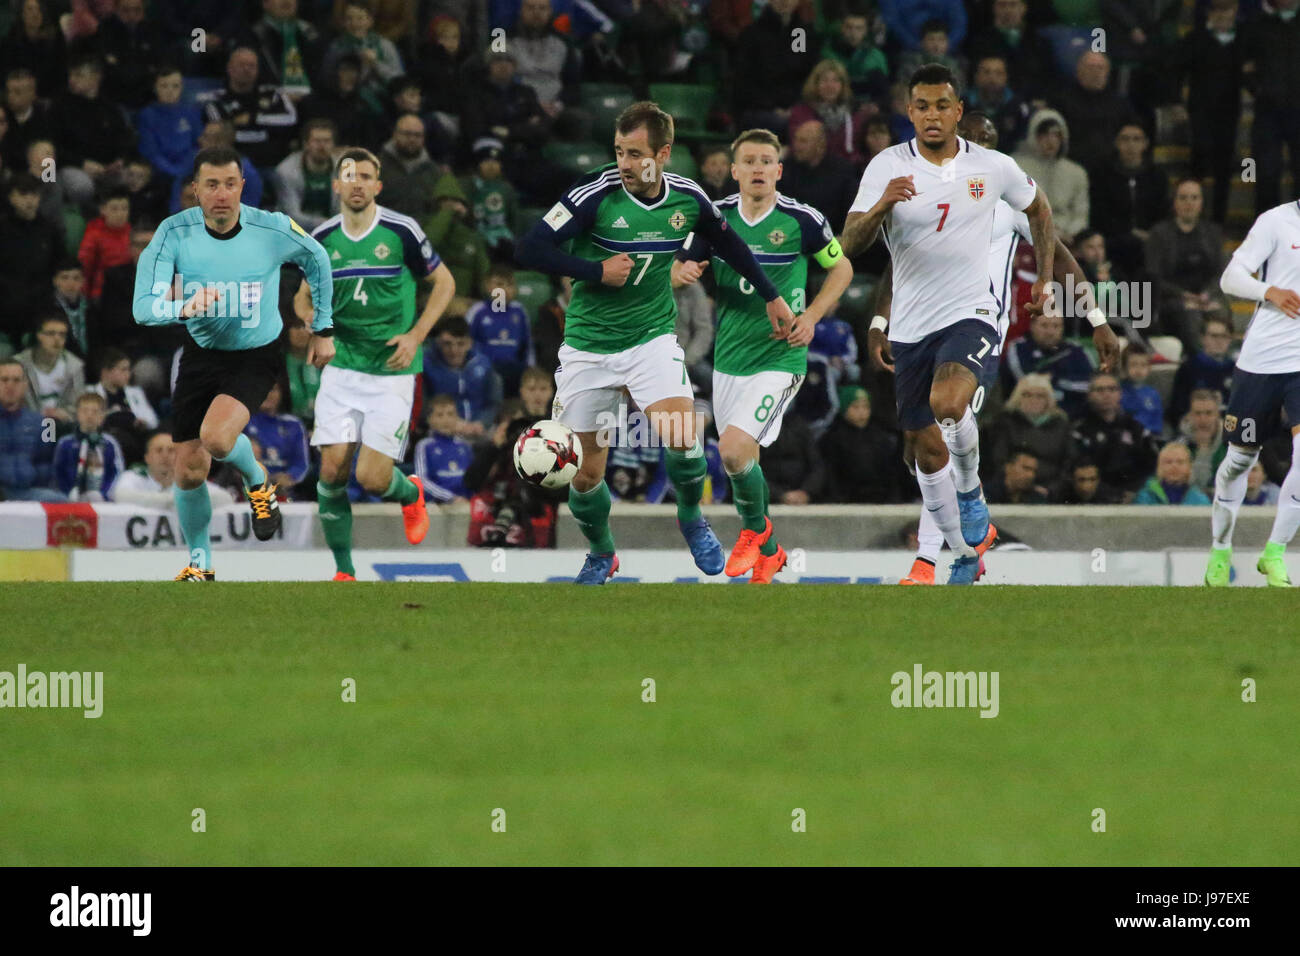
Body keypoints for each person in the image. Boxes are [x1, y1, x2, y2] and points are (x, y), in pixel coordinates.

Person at [515, 101, 796, 583]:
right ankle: (603, 554)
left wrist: (771, 295)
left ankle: (691, 517)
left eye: (635, 154)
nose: (624, 164)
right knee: (585, 475)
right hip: (590, 348)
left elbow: (728, 242)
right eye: (619, 151)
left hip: (651, 341)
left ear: (663, 154)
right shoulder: (593, 195)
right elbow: (528, 247)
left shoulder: (687, 198)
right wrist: (594, 271)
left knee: (682, 436)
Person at [860, 107, 1116, 584]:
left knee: (944, 419)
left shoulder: (1005, 200)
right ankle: (964, 552)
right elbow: (898, 265)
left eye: (987, 140)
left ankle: (929, 558)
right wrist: (879, 319)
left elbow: (1061, 257)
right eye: (972, 138)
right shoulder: (931, 196)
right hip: (920, 330)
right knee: (919, 449)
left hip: (979, 331)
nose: (979, 147)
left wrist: (1098, 320)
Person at [132, 145, 335, 582]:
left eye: (229, 184)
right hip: (201, 356)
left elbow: (317, 257)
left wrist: (323, 327)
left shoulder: (272, 228)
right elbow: (143, 307)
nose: (221, 193)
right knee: (188, 470)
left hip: (255, 355)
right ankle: (200, 562)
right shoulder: (172, 233)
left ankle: (257, 479)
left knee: (217, 439)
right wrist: (184, 306)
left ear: (242, 186)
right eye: (211, 185)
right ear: (195, 190)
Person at [672, 127, 853, 583]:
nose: (757, 168)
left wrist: (811, 315)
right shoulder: (715, 220)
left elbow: (842, 267)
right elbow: (678, 267)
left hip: (779, 357)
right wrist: (683, 269)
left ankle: (753, 534)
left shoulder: (802, 219)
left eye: (765, 161)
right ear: (733, 171)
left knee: (732, 451)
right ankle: (769, 550)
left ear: (778, 170)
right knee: (740, 463)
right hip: (730, 360)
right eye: (748, 161)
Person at [297, 145, 455, 581]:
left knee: (370, 477)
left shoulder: (401, 231)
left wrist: (416, 334)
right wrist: (311, 321)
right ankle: (344, 572)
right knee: (331, 469)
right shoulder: (322, 240)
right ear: (336, 185)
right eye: (349, 176)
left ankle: (410, 494)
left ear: (377, 185)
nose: (357, 184)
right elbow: (301, 296)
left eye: (365, 176)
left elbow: (444, 283)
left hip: (391, 370)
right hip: (343, 366)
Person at [1205, 197, 1300, 586]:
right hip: (1261, 364)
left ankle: (1274, 553)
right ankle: (1220, 548)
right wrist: (1270, 291)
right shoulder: (1276, 221)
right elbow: (1231, 279)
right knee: (1240, 460)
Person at [1146, 178, 1229, 355]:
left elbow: (1221, 273)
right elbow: (1154, 277)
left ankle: (1224, 362)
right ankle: (1199, 361)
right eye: (1183, 198)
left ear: (1201, 203)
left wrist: (1206, 295)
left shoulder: (1213, 233)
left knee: (1221, 312)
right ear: (1174, 202)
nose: (1189, 203)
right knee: (1191, 317)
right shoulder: (1159, 234)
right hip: (1172, 299)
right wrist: (1185, 296)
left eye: (1194, 198)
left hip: (1206, 297)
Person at [199, 46, 299, 173]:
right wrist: (265, 133)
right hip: (234, 161)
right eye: (241, 65)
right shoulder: (216, 99)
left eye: (251, 66)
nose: (246, 69)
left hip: (275, 161)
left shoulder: (273, 94)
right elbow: (222, 133)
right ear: (229, 68)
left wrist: (253, 119)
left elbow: (290, 119)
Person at [1071, 371, 1160, 498]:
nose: (1106, 394)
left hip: (1136, 495)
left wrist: (1137, 494)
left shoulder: (1136, 428)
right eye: (1100, 390)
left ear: (1120, 394)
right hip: (1096, 497)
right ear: (1090, 395)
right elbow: (1080, 473)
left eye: (1112, 389)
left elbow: (1151, 466)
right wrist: (1116, 494)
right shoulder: (1080, 431)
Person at [981, 373, 1074, 489]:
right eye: (1027, 395)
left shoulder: (1061, 425)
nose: (1033, 400)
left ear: (1049, 399)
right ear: (1017, 397)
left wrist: (1051, 489)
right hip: (1010, 488)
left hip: (1051, 490)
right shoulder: (1003, 423)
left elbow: (1068, 464)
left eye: (1040, 396)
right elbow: (997, 461)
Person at [1012, 110, 1088, 246]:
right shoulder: (1016, 167)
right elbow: (1013, 211)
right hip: (1027, 237)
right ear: (1033, 135)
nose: (1050, 140)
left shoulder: (1076, 172)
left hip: (1069, 239)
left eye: (1056, 135)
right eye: (1044, 134)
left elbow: (1081, 214)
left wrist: (1067, 233)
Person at [819, 385, 904, 503]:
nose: (862, 412)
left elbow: (892, 473)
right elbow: (831, 476)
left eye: (866, 407)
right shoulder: (832, 439)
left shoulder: (882, 437)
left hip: (881, 499)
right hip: (847, 501)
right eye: (855, 407)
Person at [112, 428, 237, 508]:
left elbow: (224, 498)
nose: (165, 456)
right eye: (159, 450)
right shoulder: (133, 476)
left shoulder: (188, 479)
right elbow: (120, 496)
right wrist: (172, 502)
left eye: (171, 451)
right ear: (147, 458)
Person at [1002, 312, 1095, 419]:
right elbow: (1024, 378)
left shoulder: (1075, 350)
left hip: (1071, 417)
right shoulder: (1019, 347)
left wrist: (1057, 380)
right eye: (1044, 325)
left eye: (1056, 326)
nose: (1050, 332)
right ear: (1032, 326)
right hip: (1023, 416)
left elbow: (1090, 384)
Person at [787, 60, 875, 168]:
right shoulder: (801, 113)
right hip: (811, 170)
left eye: (836, 80)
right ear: (815, 84)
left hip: (847, 172)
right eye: (824, 80)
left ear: (843, 85)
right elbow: (798, 148)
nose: (830, 86)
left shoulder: (855, 115)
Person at [422, 315, 500, 436]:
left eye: (460, 344)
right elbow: (422, 406)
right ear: (438, 342)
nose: (454, 350)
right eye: (447, 344)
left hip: (480, 429)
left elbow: (493, 402)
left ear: (469, 343)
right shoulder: (426, 365)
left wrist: (482, 423)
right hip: (440, 431)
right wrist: (449, 424)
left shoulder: (483, 364)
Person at [0, 358, 63, 501]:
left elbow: (48, 463)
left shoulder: (46, 424)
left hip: (28, 492)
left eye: (16, 380)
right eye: (4, 380)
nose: (10, 385)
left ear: (25, 385)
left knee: (60, 501)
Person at [466, 263, 532, 397]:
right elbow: (468, 343)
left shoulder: (519, 311)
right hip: (486, 368)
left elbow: (527, 346)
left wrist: (529, 368)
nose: (505, 290)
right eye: (499, 284)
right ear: (487, 286)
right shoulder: (478, 311)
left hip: (514, 368)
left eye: (510, 285)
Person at [14, 315, 85, 430]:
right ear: (39, 335)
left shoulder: (74, 366)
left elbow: (80, 404)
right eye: (51, 333)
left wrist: (63, 413)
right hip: (26, 424)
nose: (57, 339)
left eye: (62, 334)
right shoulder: (19, 364)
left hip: (62, 424)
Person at [89, 346, 159, 463]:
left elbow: (153, 420)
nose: (129, 374)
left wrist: (144, 422)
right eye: (123, 370)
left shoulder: (135, 392)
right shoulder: (91, 393)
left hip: (137, 435)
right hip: (108, 437)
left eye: (129, 369)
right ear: (106, 372)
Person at [52, 391, 123, 501]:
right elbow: (58, 472)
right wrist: (67, 492)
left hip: (102, 497)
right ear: (77, 414)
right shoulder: (65, 443)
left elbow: (116, 472)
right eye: (85, 411)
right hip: (70, 496)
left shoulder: (110, 443)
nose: (89, 415)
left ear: (102, 416)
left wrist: (105, 494)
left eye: (95, 412)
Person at [244, 381, 310, 500]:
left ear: (281, 394)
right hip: (248, 488)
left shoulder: (293, 425)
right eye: (264, 388)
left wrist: (290, 476)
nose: (268, 394)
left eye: (273, 390)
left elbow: (301, 464)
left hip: (284, 490)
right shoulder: (242, 421)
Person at [1167, 315, 1235, 429]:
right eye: (1214, 336)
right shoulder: (1189, 368)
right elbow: (1177, 410)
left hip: (1229, 428)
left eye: (1224, 336)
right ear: (1203, 338)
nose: (1219, 341)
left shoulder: (1237, 370)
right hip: (1196, 426)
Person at [273, 118, 340, 232]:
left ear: (333, 144)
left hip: (334, 231)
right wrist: (326, 223)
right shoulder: (286, 171)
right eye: (317, 141)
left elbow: (344, 209)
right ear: (306, 144)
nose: (322, 146)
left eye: (327, 141)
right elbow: (292, 215)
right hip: (295, 232)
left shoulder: (343, 170)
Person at [412, 393, 474, 504]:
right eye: (440, 415)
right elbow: (422, 480)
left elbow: (474, 478)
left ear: (457, 418)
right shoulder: (424, 446)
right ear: (429, 420)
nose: (446, 420)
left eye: (450, 414)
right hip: (436, 507)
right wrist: (450, 498)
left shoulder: (465, 446)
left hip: (465, 504)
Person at [78, 188, 132, 303]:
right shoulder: (94, 234)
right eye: (114, 209)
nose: (120, 214)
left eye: (124, 208)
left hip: (130, 290)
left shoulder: (133, 234)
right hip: (102, 293)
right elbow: (85, 268)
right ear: (103, 210)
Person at [1135, 442, 1211, 506]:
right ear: (1159, 467)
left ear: (1189, 467)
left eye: (1180, 462)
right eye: (1168, 462)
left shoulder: (1200, 500)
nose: (1174, 466)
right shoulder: (1146, 497)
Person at [1182, 388, 1227, 494]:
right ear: (1190, 416)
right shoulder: (1180, 446)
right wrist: (1203, 450)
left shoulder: (1232, 443)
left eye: (1208, 413)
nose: (1203, 419)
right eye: (1198, 413)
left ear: (1217, 415)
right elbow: (1196, 486)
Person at [1120, 342, 1164, 437]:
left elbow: (1158, 420)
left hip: (1151, 436)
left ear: (1149, 368)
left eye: (1143, 365)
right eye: (1133, 365)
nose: (1138, 369)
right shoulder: (1119, 393)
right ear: (1124, 368)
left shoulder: (1153, 394)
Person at [1053, 457, 1122, 504]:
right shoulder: (1058, 497)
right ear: (1072, 480)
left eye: (1092, 479)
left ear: (1098, 480)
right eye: (1081, 480)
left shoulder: (1111, 499)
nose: (1086, 486)